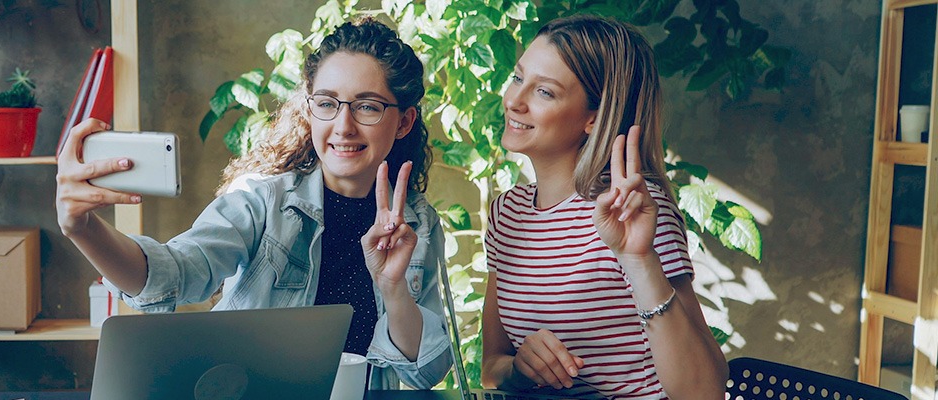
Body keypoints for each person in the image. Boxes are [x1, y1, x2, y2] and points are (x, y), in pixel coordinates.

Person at [55, 17, 453, 390]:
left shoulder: (418, 224)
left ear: (403, 122)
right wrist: (83, 228)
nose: (343, 126)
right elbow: (172, 276)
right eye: (327, 103)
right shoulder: (261, 200)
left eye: (367, 106)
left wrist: (394, 288)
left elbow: (426, 373)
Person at [478, 15, 727, 399]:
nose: (514, 100)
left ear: (594, 118)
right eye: (517, 78)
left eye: (544, 92)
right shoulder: (507, 214)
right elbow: (492, 368)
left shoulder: (631, 211)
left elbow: (704, 392)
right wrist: (519, 368)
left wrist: (639, 259)